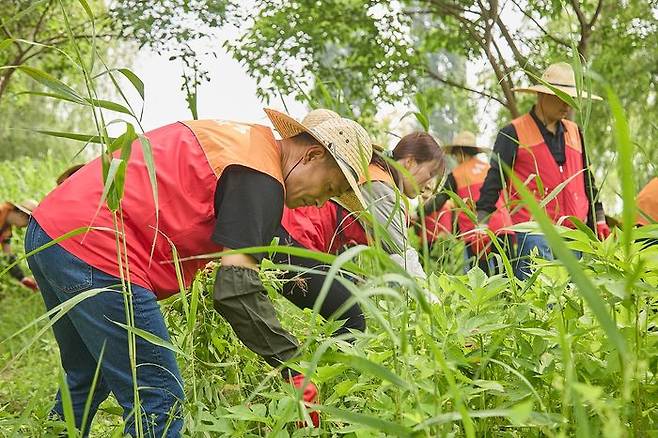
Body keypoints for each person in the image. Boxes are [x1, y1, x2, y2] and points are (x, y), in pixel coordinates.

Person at [25, 110, 373, 436]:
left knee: (89, 371)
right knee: (160, 398)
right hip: (100, 251)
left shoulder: (244, 147)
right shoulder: (260, 176)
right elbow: (235, 289)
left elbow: (283, 255)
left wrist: (350, 308)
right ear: (312, 156)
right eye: (329, 189)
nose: (321, 203)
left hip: (52, 231)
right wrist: (294, 366)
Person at [273, 110, 445, 335]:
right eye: (431, 172)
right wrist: (433, 304)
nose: (430, 183)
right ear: (411, 162)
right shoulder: (382, 188)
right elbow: (401, 256)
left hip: (296, 234)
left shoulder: (375, 173)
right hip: (300, 237)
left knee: (343, 306)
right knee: (351, 316)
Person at [475, 62, 609, 280]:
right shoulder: (513, 132)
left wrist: (599, 219)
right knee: (535, 299)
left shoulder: (575, 132)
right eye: (561, 97)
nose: (568, 105)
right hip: (534, 233)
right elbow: (494, 180)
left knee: (572, 301)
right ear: (542, 96)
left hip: (574, 233)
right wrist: (481, 225)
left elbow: (587, 180)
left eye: (571, 99)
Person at [422, 131, 514, 275]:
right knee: (506, 277)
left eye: (455, 155)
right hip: (502, 227)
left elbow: (439, 201)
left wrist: (418, 212)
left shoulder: (456, 174)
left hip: (477, 231)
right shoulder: (490, 169)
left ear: (460, 153)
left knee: (480, 278)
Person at [0, 200, 39, 291]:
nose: (26, 227)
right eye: (28, 223)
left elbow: (8, 256)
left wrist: (21, 278)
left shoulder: (6, 230)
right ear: (23, 215)